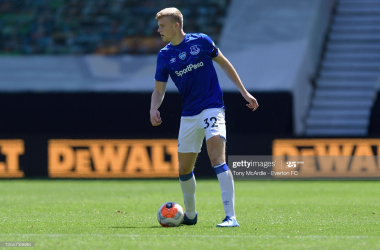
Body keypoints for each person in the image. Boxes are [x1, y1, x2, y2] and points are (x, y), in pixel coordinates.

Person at [150, 7, 258, 227]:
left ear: (176, 25)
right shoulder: (164, 55)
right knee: (184, 169)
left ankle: (231, 217)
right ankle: (190, 215)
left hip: (212, 108)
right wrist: (153, 108)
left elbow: (225, 64)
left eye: (162, 25)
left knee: (216, 157)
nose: (158, 29)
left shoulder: (201, 42)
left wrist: (244, 92)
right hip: (189, 115)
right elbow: (159, 90)